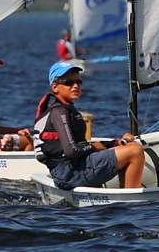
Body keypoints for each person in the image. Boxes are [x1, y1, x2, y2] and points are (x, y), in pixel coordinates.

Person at [34, 60, 144, 190]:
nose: (75, 86)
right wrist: (94, 147)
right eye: (68, 82)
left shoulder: (62, 110)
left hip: (70, 170)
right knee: (135, 150)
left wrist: (113, 143)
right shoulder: (59, 112)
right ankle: (131, 203)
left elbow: (79, 146)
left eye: (78, 82)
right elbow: (71, 150)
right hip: (69, 173)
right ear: (55, 87)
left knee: (129, 147)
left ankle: (125, 195)